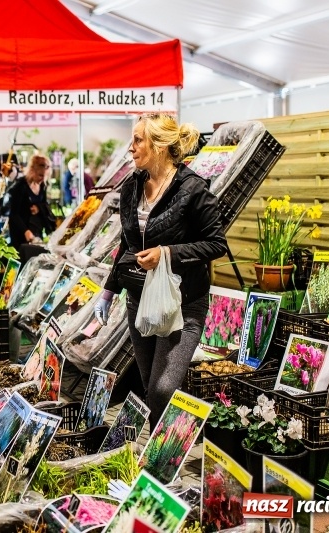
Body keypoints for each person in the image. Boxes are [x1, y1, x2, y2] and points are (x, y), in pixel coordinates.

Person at [93, 114, 227, 428]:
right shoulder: (131, 187)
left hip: (181, 304)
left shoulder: (193, 190)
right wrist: (108, 291)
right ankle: (158, 466)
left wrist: (168, 253)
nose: (131, 147)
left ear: (160, 145)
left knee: (163, 389)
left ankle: (168, 452)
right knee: (150, 389)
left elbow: (216, 244)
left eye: (138, 139)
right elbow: (127, 245)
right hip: (139, 302)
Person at [8, 154, 56, 263]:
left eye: (44, 176)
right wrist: (25, 231)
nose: (42, 179)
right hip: (20, 231)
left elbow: (44, 205)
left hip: (36, 230)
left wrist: (39, 208)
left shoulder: (42, 186)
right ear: (32, 170)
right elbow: (14, 214)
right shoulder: (20, 186)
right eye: (40, 175)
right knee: (21, 260)